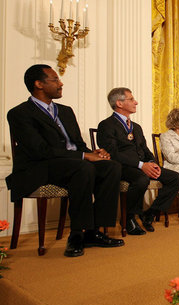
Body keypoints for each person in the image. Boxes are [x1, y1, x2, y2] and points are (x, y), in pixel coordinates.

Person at [6, 64, 124, 257]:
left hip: (72, 163)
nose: (61, 84)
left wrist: (95, 153)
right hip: (39, 167)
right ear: (39, 84)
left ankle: (94, 231)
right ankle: (77, 233)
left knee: (111, 167)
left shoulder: (66, 111)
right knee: (82, 167)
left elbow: (77, 144)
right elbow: (39, 150)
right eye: (55, 80)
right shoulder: (20, 113)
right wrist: (84, 156)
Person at [97, 87, 179, 235]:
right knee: (141, 179)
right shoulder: (106, 125)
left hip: (144, 164)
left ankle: (150, 213)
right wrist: (141, 165)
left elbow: (144, 149)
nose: (136, 102)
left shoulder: (136, 127)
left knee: (175, 178)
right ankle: (129, 218)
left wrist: (152, 162)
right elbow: (113, 153)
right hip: (123, 167)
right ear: (119, 103)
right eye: (131, 99)